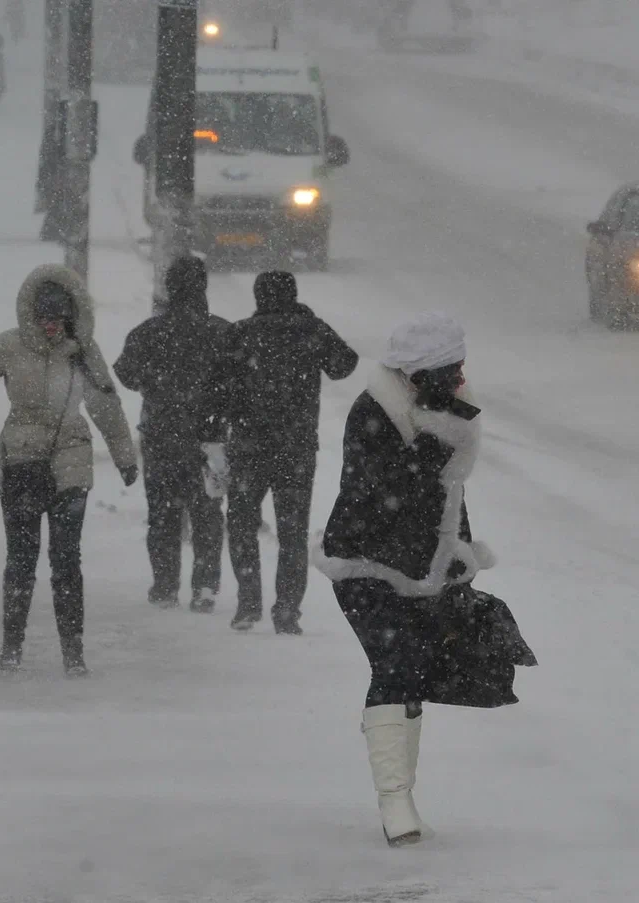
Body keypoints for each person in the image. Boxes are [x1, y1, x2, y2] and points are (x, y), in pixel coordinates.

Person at [313, 313, 536, 847]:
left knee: (410, 670)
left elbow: (449, 497)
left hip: (424, 569)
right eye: (449, 370)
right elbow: (386, 494)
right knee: (394, 664)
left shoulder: (445, 411)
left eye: (461, 367)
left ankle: (402, 797)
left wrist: (458, 557)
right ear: (416, 373)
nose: (460, 378)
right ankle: (395, 804)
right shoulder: (376, 413)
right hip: (365, 566)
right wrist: (440, 441)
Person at [0, 264, 139, 676]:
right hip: (21, 461)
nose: (51, 328)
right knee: (21, 559)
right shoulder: (8, 347)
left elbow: (105, 405)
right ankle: (12, 646)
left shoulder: (84, 352)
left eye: (57, 320)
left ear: (70, 317)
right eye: (44, 319)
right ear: (32, 317)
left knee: (66, 560)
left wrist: (124, 456)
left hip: (71, 463)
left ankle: (73, 652)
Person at [214, 271, 358, 634]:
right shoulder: (309, 330)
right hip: (295, 449)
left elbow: (215, 386)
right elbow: (345, 364)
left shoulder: (241, 333)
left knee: (242, 524)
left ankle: (248, 604)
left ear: (258, 297)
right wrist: (307, 323)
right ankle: (287, 612)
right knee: (292, 533)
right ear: (293, 296)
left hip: (248, 448)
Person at [113, 256, 230, 613]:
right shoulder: (224, 332)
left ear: (169, 288)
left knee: (162, 513)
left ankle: (165, 585)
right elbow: (241, 384)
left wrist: (159, 386)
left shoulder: (148, 333)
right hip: (209, 438)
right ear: (203, 287)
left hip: (162, 436)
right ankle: (206, 585)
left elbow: (126, 374)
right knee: (207, 512)